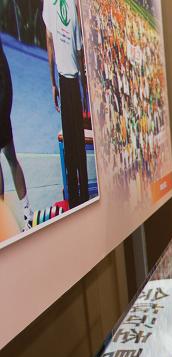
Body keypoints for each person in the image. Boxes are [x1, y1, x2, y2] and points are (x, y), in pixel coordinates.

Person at [43, 0, 90, 208]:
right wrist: (84, 88)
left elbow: (49, 40)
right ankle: (84, 199)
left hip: (63, 79)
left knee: (71, 151)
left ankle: (74, 202)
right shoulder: (73, 4)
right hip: (73, 81)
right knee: (79, 152)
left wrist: (53, 83)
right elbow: (79, 51)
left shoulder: (49, 3)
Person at [0, 39, 33, 230]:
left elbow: (6, 82)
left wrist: (3, 114)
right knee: (10, 159)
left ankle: (27, 214)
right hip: (3, 113)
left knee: (11, 159)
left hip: (1, 114)